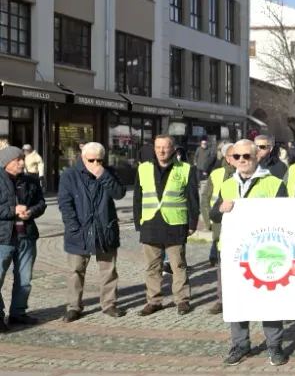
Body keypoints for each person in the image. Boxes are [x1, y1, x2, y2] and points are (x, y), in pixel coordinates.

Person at [210, 139, 289, 366]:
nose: (242, 160)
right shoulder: (227, 184)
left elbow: (285, 215)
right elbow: (214, 216)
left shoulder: (273, 183)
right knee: (236, 300)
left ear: (257, 157)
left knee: (269, 299)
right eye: (237, 157)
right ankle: (240, 344)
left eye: (247, 156)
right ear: (231, 159)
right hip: (233, 252)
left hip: (264, 251)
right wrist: (220, 208)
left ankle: (274, 345)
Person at [58, 142, 127, 322]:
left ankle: (109, 304)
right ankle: (74, 307)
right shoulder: (69, 175)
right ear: (83, 158)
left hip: (105, 229)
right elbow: (65, 204)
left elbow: (119, 193)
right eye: (91, 160)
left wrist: (103, 176)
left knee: (108, 270)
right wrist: (73, 227)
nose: (96, 163)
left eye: (100, 160)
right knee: (76, 271)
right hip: (79, 230)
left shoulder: (108, 172)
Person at [133, 135, 199, 317]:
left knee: (178, 265)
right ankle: (153, 301)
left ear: (173, 149)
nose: (162, 151)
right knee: (151, 266)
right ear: (154, 148)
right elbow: (137, 198)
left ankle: (182, 300)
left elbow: (193, 199)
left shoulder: (186, 169)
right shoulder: (143, 169)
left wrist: (192, 223)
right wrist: (138, 221)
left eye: (166, 147)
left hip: (175, 223)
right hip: (150, 223)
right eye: (158, 147)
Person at [0, 147, 46, 332]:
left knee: (24, 279)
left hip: (26, 236)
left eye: (22, 159)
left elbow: (41, 203)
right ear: (6, 162)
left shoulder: (31, 180)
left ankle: (18, 314)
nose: (21, 162)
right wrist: (13, 211)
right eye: (17, 159)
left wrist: (31, 211)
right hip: (3, 238)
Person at [202, 142, 235, 314]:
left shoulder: (246, 173)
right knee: (222, 265)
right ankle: (221, 300)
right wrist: (208, 222)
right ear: (225, 157)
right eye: (231, 155)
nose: (235, 159)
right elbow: (206, 199)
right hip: (219, 225)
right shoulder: (216, 174)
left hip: (240, 227)